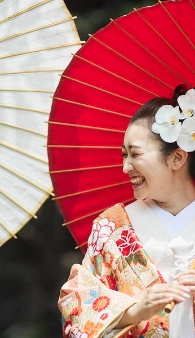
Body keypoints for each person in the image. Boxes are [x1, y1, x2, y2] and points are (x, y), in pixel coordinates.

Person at [58, 84, 195, 337]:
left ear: (177, 158)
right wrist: (135, 311)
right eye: (124, 155)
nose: (126, 167)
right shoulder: (111, 227)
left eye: (135, 154)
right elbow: (77, 313)